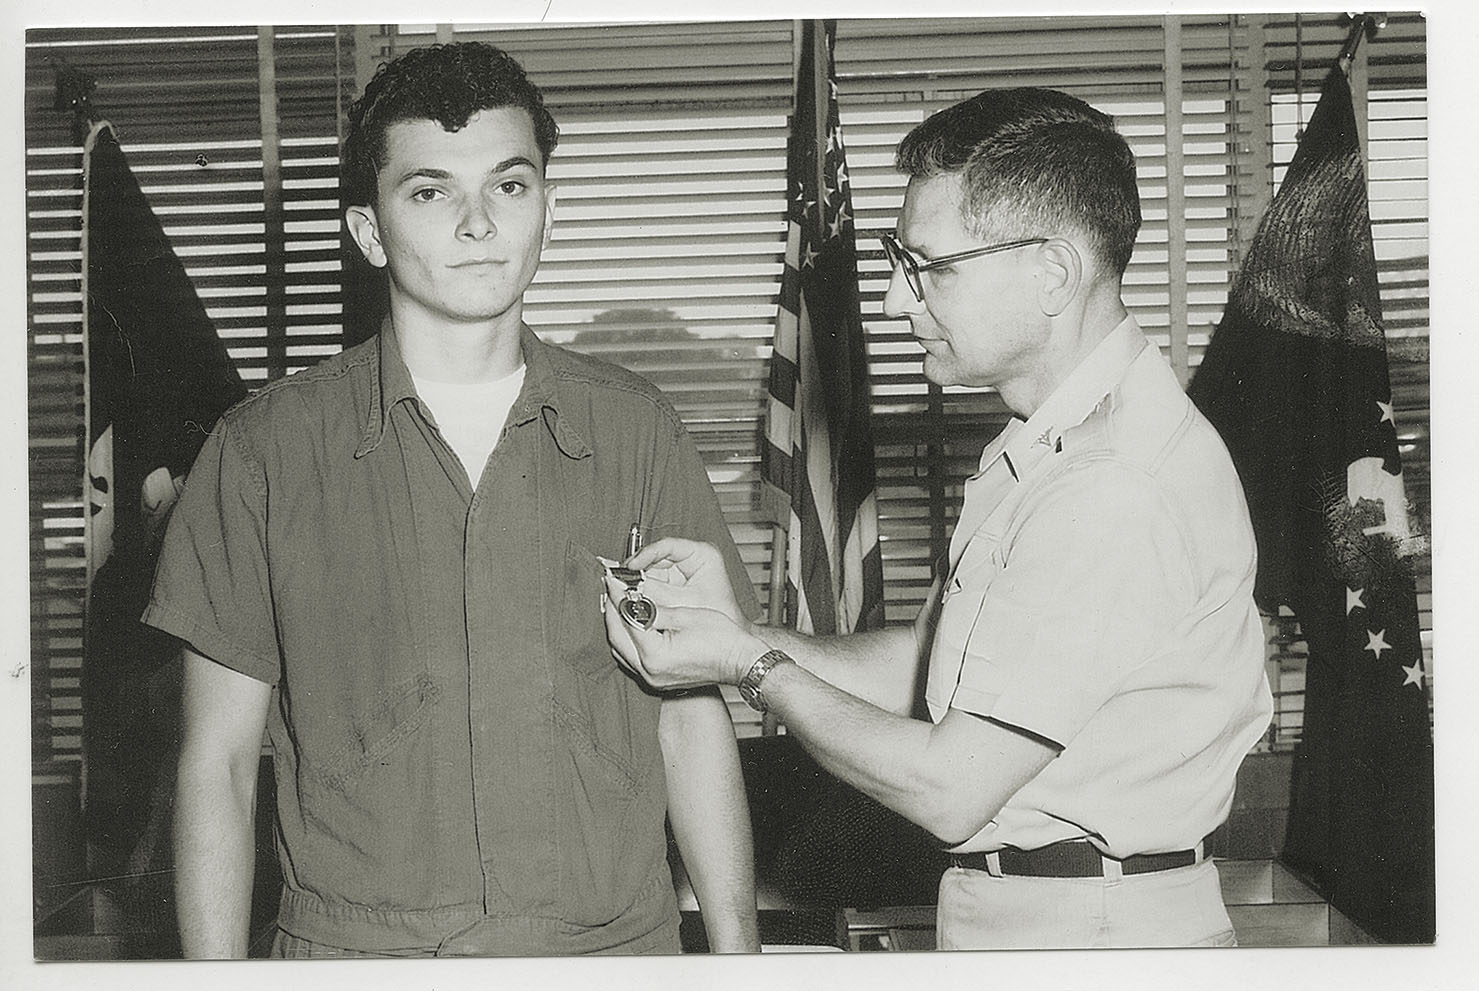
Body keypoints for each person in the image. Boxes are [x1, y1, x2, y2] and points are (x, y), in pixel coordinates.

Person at [603, 87, 1274, 950]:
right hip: (1042, 916)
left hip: (1090, 935)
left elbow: (950, 786)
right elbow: (925, 673)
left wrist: (744, 659)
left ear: (1053, 272)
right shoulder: (1046, 447)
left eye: (931, 267)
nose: (893, 301)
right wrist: (731, 627)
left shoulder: (1111, 485)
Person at [146, 42, 760, 958]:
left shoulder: (635, 430)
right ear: (367, 230)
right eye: (430, 192)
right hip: (358, 958)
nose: (479, 223)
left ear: (547, 207)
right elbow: (220, 765)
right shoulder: (263, 451)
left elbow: (688, 722)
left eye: (509, 185)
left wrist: (738, 961)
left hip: (608, 953)